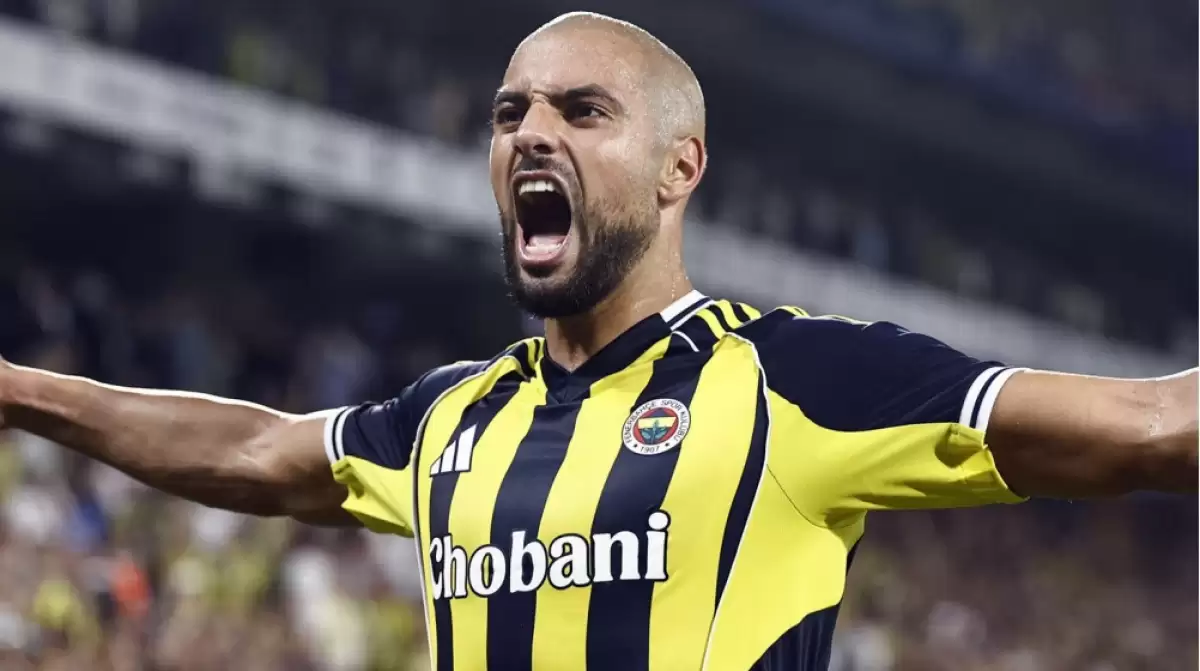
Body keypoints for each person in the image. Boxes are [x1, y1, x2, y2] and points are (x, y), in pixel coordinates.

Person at [0, 11, 1195, 671]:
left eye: (583, 110)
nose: (531, 132)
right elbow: (258, 449)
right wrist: (17, 389)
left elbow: (1154, 424)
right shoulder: (450, 417)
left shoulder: (797, 379)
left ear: (680, 168)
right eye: (509, 111)